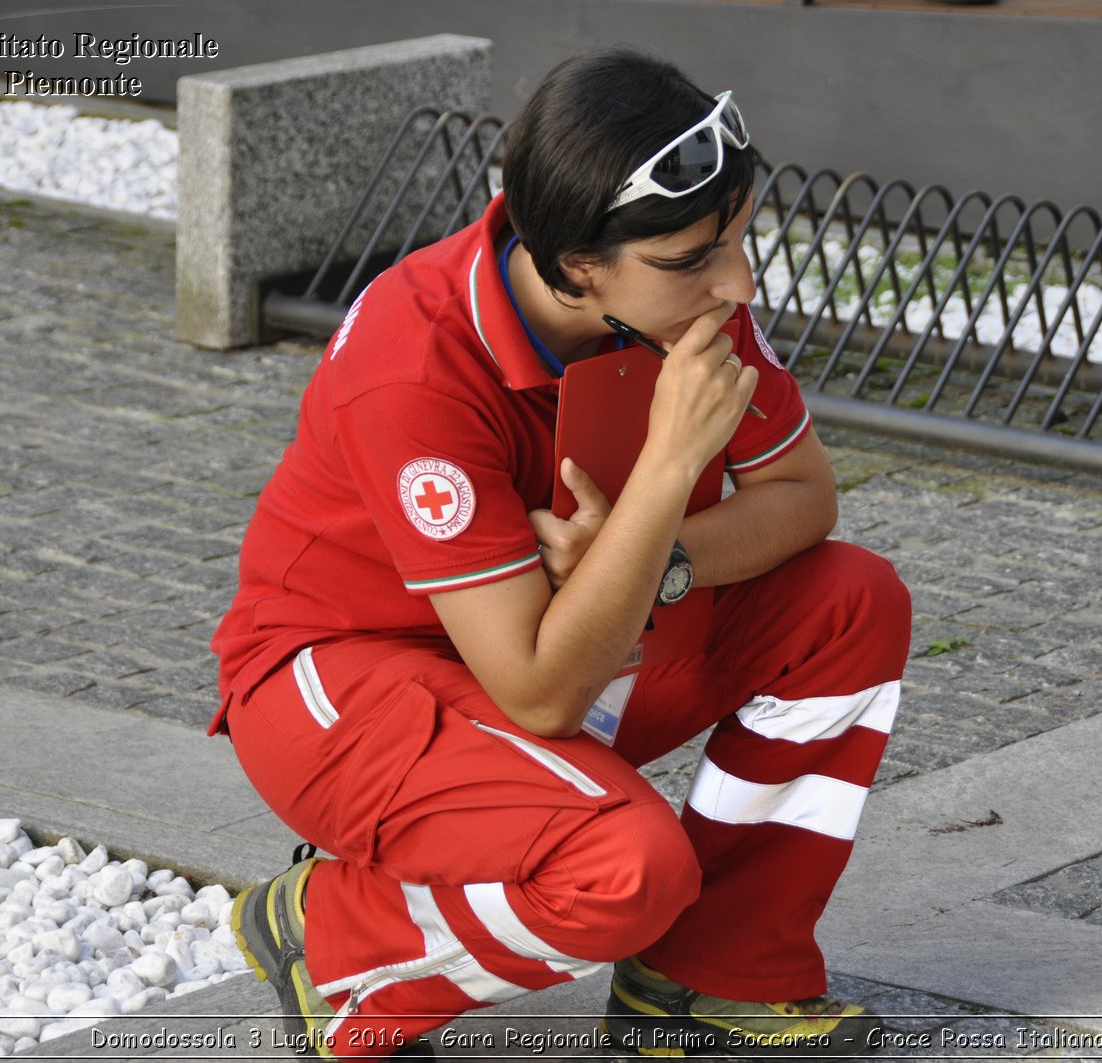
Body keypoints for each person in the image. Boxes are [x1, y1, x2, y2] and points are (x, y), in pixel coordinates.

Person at [209, 46, 912, 1060]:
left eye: (737, 240)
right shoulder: (414, 366)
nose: (735, 283)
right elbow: (540, 691)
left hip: (543, 643)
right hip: (340, 694)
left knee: (851, 602)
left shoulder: (671, 298)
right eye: (692, 258)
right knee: (624, 868)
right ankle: (336, 936)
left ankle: (707, 979)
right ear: (580, 262)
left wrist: (647, 555)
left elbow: (805, 501)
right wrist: (668, 468)